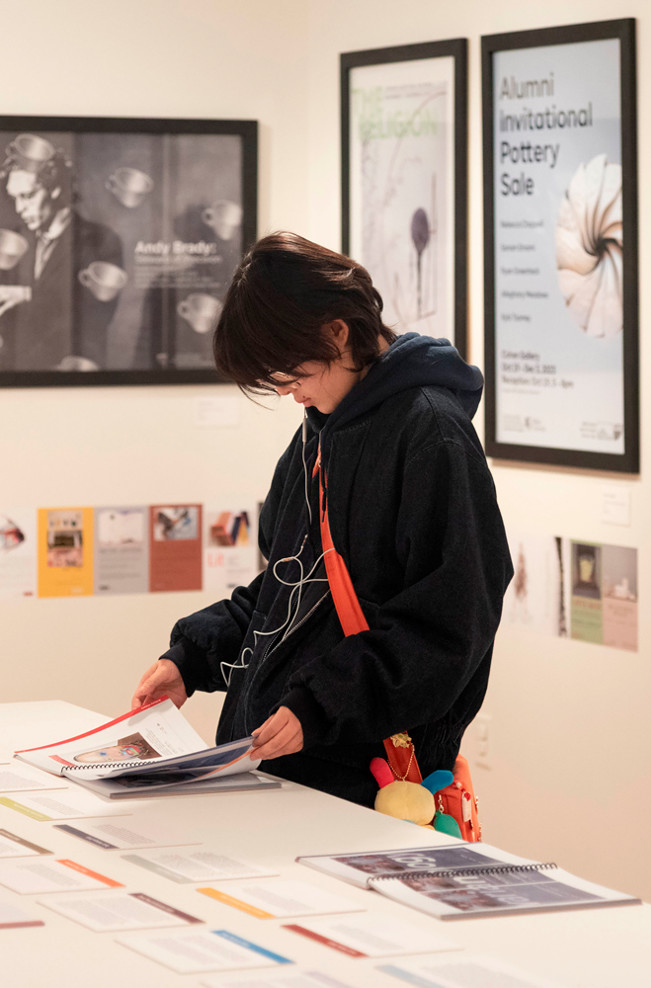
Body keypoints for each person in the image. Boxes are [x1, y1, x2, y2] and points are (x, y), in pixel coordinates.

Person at [132, 232, 513, 807]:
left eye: (291, 377)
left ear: (338, 333)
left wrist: (319, 705)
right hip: (274, 768)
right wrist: (191, 659)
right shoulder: (320, 427)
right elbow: (287, 589)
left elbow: (448, 624)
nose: (290, 396)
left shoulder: (431, 434)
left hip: (366, 782)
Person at [0, 135, 123, 370]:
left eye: (26, 196)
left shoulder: (99, 240)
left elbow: (91, 314)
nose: (19, 208)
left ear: (55, 189)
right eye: (14, 198)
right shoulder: (16, 238)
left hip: (70, 373)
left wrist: (26, 295)